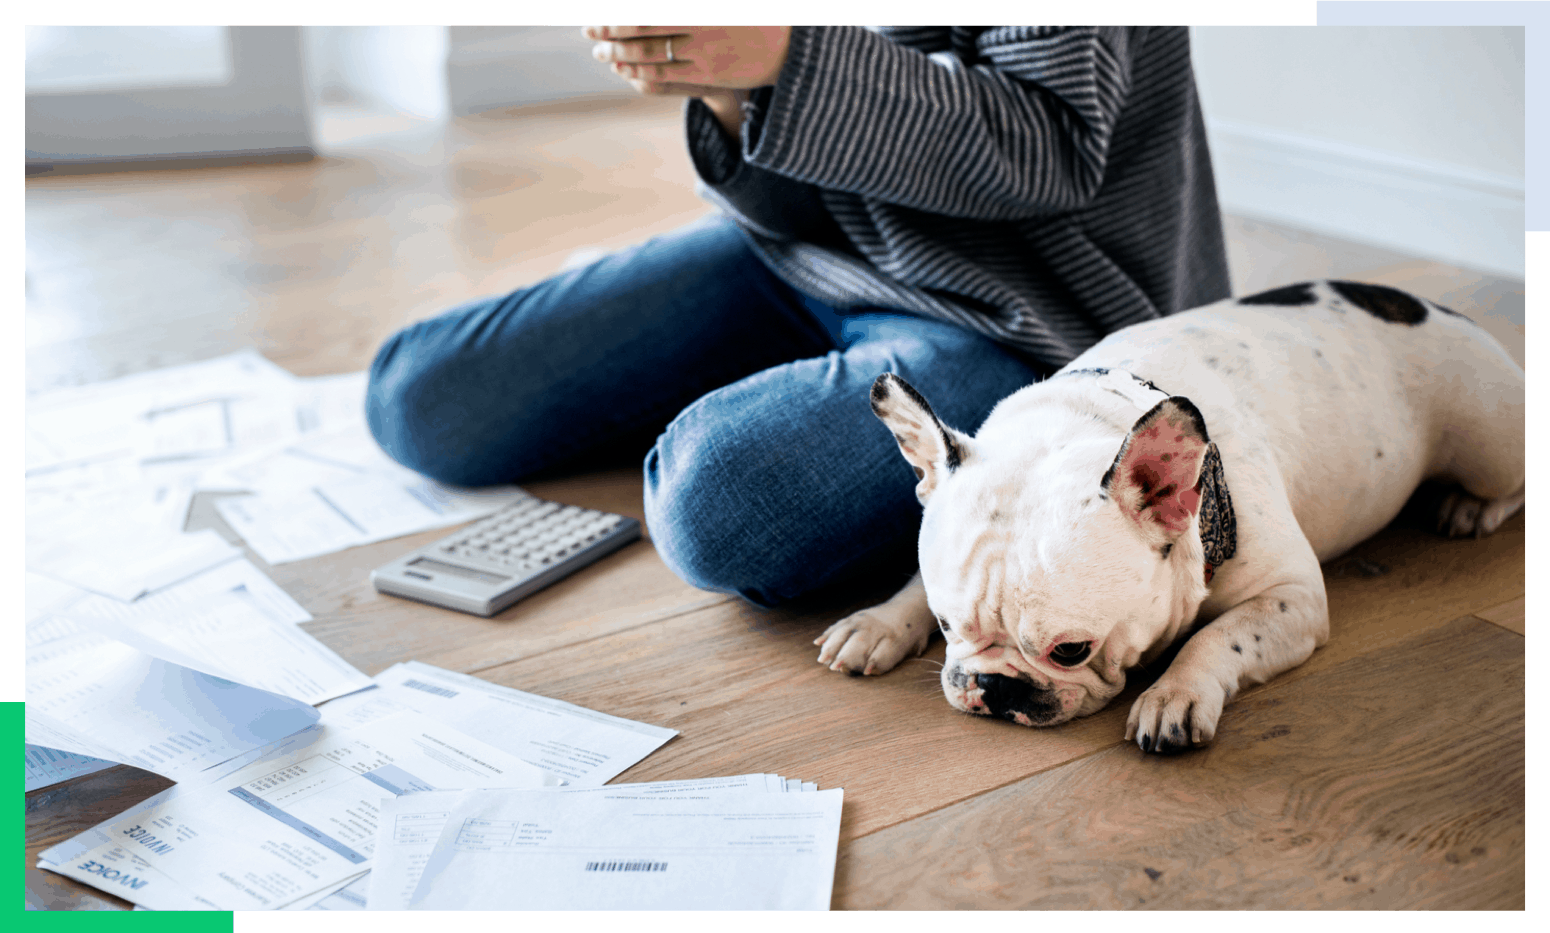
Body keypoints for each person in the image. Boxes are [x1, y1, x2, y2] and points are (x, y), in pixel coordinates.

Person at [366, 25, 1231, 609]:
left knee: (718, 503)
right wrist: (722, 79)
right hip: (812, 255)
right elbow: (791, 204)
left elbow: (1046, 147)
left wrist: (787, 52)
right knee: (418, 396)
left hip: (1022, 309)